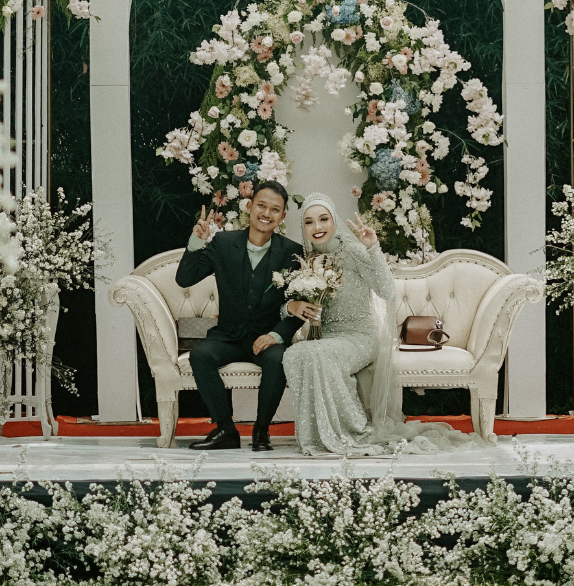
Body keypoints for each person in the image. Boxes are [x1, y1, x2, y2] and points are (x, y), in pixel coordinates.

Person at [282, 193, 479, 457]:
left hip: (360, 337)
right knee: (294, 353)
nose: (317, 227)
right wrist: (291, 306)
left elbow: (386, 290)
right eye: (309, 222)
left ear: (334, 221)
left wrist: (372, 248)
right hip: (326, 337)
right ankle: (317, 434)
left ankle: (354, 429)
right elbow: (290, 304)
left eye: (323, 219)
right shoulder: (306, 259)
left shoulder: (352, 251)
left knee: (316, 353)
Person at [175, 181, 304, 451]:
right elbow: (185, 278)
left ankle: (261, 431)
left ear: (282, 216)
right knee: (200, 355)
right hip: (228, 336)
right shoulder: (223, 243)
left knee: (279, 358)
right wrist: (196, 241)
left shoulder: (292, 253)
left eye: (275, 209)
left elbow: (299, 306)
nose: (266, 213)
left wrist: (276, 335)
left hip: (267, 337)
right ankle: (225, 430)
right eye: (261, 205)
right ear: (249, 206)